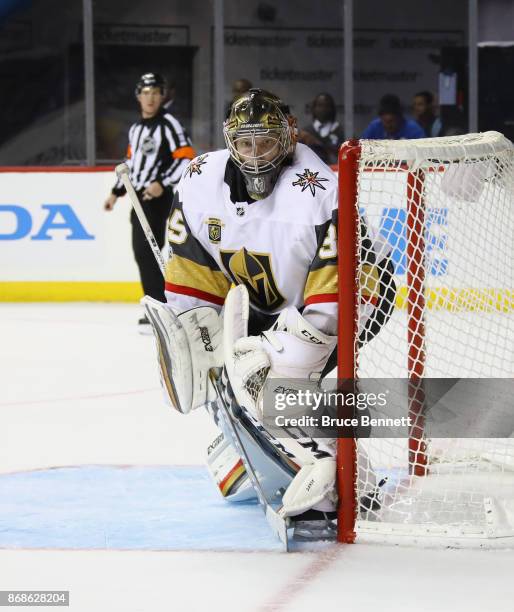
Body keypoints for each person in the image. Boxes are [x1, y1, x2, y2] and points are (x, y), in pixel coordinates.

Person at [142, 89, 395, 534]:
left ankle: (346, 475)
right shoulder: (199, 181)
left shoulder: (318, 193)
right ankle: (251, 451)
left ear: (289, 138)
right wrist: (196, 342)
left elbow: (336, 292)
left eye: (267, 143)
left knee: (280, 377)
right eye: (245, 143)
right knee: (218, 375)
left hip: (358, 291)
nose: (255, 155)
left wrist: (285, 356)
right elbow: (193, 276)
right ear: (230, 143)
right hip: (268, 299)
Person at [103, 72, 196, 332]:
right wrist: (116, 191)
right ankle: (156, 306)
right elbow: (131, 164)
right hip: (138, 199)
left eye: (155, 92)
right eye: (146, 93)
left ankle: (159, 306)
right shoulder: (136, 128)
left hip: (158, 199)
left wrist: (163, 183)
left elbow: (186, 158)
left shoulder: (169, 125)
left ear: (162, 95)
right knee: (142, 252)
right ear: (138, 96)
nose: (151, 98)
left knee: (150, 251)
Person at [298, 93, 345, 165]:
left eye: (327, 106)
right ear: (313, 109)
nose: (323, 109)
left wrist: (316, 142)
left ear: (333, 109)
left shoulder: (342, 132)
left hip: (335, 172)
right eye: (320, 105)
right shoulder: (305, 132)